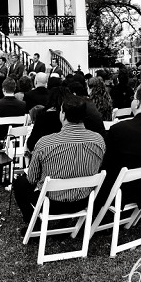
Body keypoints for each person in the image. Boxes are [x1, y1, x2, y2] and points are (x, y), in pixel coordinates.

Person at [12, 96, 106, 225]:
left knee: (19, 183)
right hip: (84, 200)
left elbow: (32, 179)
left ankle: (32, 223)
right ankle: (64, 224)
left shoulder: (45, 142)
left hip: (51, 203)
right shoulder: (98, 141)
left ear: (62, 115)